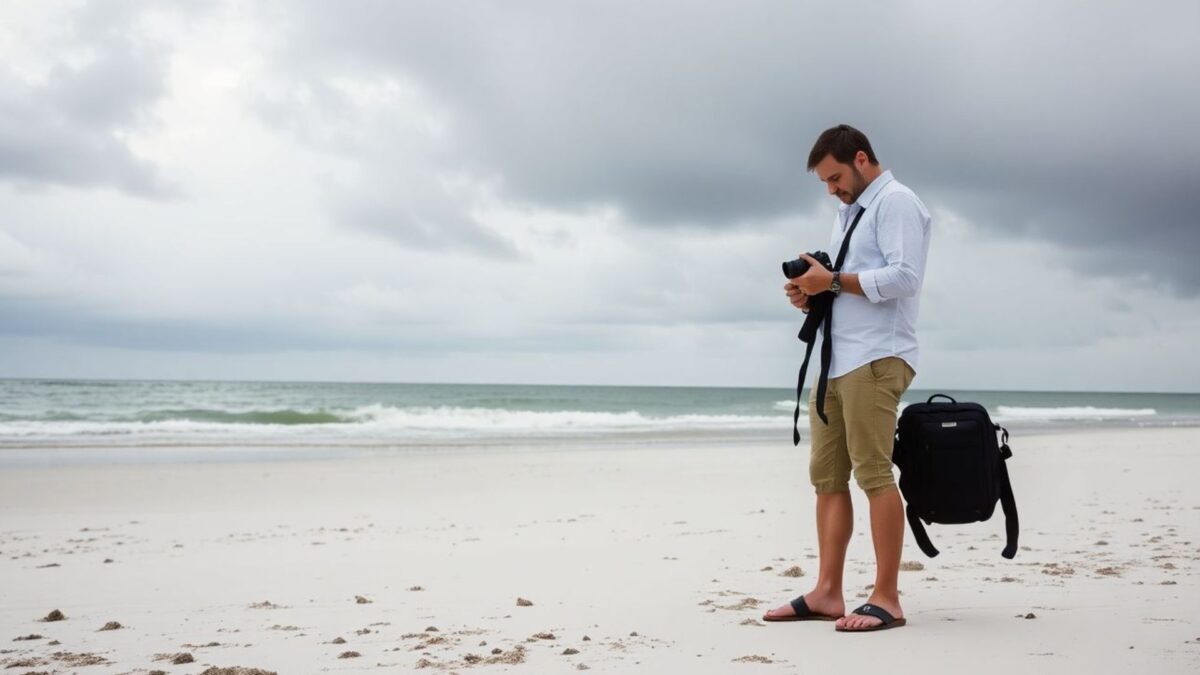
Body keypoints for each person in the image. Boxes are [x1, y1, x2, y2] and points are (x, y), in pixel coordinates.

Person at [763, 124, 931, 632]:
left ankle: (887, 597)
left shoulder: (896, 202)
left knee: (874, 475)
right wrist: (814, 292)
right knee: (827, 480)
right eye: (825, 183)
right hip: (837, 361)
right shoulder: (849, 213)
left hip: (877, 358)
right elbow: (849, 284)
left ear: (861, 159)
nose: (832, 189)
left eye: (835, 178)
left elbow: (906, 277)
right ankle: (828, 592)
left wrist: (832, 280)